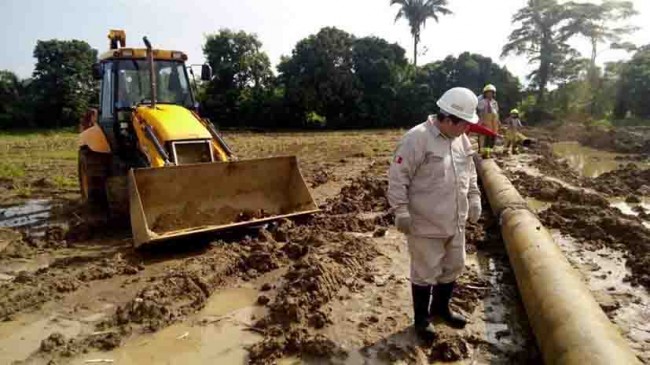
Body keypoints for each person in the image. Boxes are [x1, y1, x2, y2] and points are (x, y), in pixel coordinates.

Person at [387, 87, 483, 341]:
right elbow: (398, 177)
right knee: (425, 271)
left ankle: (440, 309)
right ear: (449, 119)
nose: (468, 129)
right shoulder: (417, 138)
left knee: (454, 266)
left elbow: (470, 172)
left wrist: (474, 197)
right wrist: (401, 210)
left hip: (456, 221)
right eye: (465, 123)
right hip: (425, 222)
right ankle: (421, 319)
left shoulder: (461, 140)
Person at [477, 84, 500, 159]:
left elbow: (496, 112)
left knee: (491, 137)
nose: (489, 94)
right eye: (488, 93)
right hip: (484, 121)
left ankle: (488, 152)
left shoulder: (494, 102)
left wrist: (497, 121)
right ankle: (482, 152)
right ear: (485, 93)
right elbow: (480, 109)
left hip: (493, 122)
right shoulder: (482, 101)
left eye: (491, 93)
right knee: (483, 137)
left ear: (494, 94)